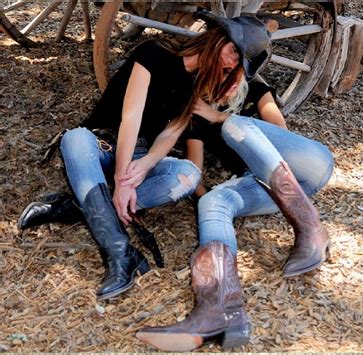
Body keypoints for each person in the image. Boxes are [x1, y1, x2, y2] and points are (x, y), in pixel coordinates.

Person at [17, 10, 270, 301]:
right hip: (102, 144)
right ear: (217, 38)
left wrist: (147, 162)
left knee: (187, 174)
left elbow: (170, 133)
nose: (231, 62)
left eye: (238, 61)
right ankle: (121, 253)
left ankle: (79, 204)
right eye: (232, 52)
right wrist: (123, 182)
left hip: (140, 154)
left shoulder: (199, 83)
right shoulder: (154, 52)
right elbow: (131, 118)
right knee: (74, 139)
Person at [135, 14, 334, 352]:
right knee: (213, 203)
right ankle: (219, 309)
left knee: (235, 128)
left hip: (307, 166)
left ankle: (311, 228)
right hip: (267, 190)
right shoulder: (198, 114)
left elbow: (279, 131)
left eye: (238, 65)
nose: (229, 70)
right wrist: (202, 192)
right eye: (226, 63)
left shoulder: (256, 89)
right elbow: (194, 168)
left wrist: (221, 118)